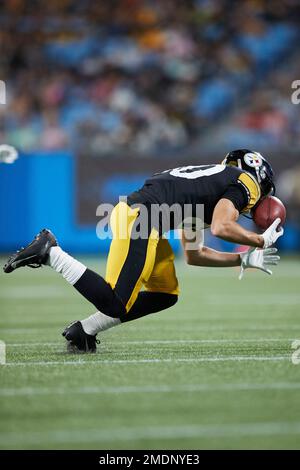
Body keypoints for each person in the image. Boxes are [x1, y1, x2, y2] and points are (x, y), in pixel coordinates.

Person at [3, 149, 282, 352]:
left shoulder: (209, 188)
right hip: (143, 220)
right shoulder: (247, 183)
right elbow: (223, 227)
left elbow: (194, 255)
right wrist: (261, 240)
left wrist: (243, 258)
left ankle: (84, 331)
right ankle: (50, 252)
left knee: (165, 294)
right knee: (115, 302)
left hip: (145, 219)